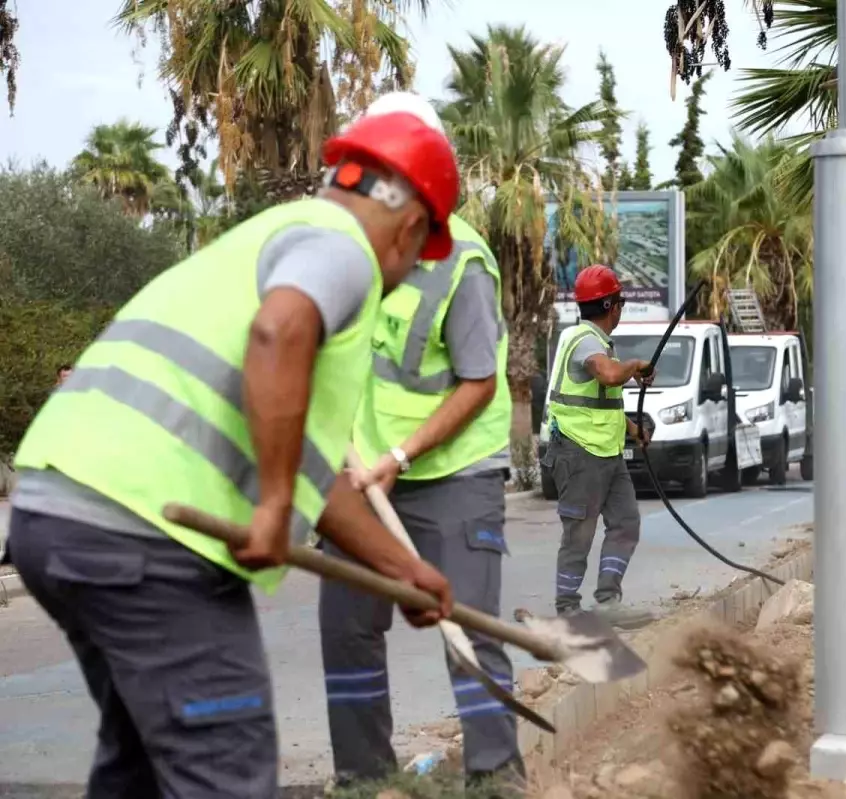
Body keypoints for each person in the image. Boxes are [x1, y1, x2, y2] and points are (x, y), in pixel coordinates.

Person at [4, 107, 461, 799]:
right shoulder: (342, 249)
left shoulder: (260, 242)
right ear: (409, 228)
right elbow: (278, 333)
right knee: (227, 766)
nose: (404, 277)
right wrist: (273, 503)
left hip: (55, 509)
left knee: (142, 769)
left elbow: (312, 473)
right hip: (147, 533)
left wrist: (404, 569)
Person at [318, 91, 525, 793]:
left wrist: (398, 457)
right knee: (346, 628)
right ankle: (362, 778)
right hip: (359, 471)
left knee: (466, 630)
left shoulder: (460, 261)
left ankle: (496, 776)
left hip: (453, 472)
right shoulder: (341, 245)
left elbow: (477, 382)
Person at [543, 265, 658, 630]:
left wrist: (633, 429)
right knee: (579, 533)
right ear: (612, 306)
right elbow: (608, 375)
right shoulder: (585, 341)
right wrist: (635, 365)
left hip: (606, 452)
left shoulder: (596, 342)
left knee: (625, 523)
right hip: (579, 454)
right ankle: (568, 609)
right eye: (620, 302)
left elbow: (602, 402)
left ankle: (608, 600)